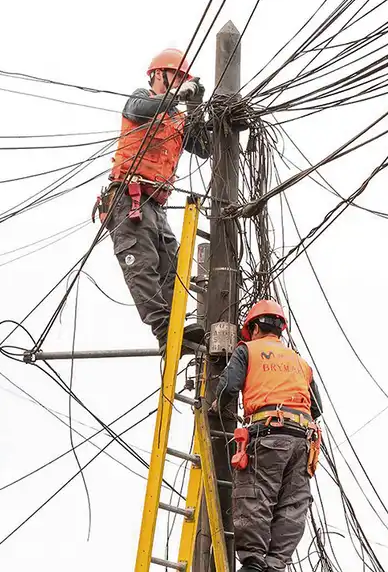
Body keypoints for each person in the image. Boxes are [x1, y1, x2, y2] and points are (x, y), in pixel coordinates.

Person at [95, 48, 212, 354]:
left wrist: (196, 107)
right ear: (158, 75)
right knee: (143, 264)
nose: (180, 83)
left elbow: (204, 148)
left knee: (173, 268)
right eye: (176, 76)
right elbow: (141, 109)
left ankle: (175, 327)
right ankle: (164, 330)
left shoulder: (176, 118)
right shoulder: (140, 99)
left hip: (155, 206)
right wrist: (178, 95)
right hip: (128, 199)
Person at [211, 299, 324, 572]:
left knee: (255, 497)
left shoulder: (248, 350)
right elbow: (316, 408)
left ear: (254, 328)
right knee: (293, 504)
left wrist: (217, 406)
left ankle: (252, 564)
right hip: (303, 441)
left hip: (269, 435)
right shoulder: (299, 361)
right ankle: (274, 565)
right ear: (280, 329)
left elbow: (228, 388)